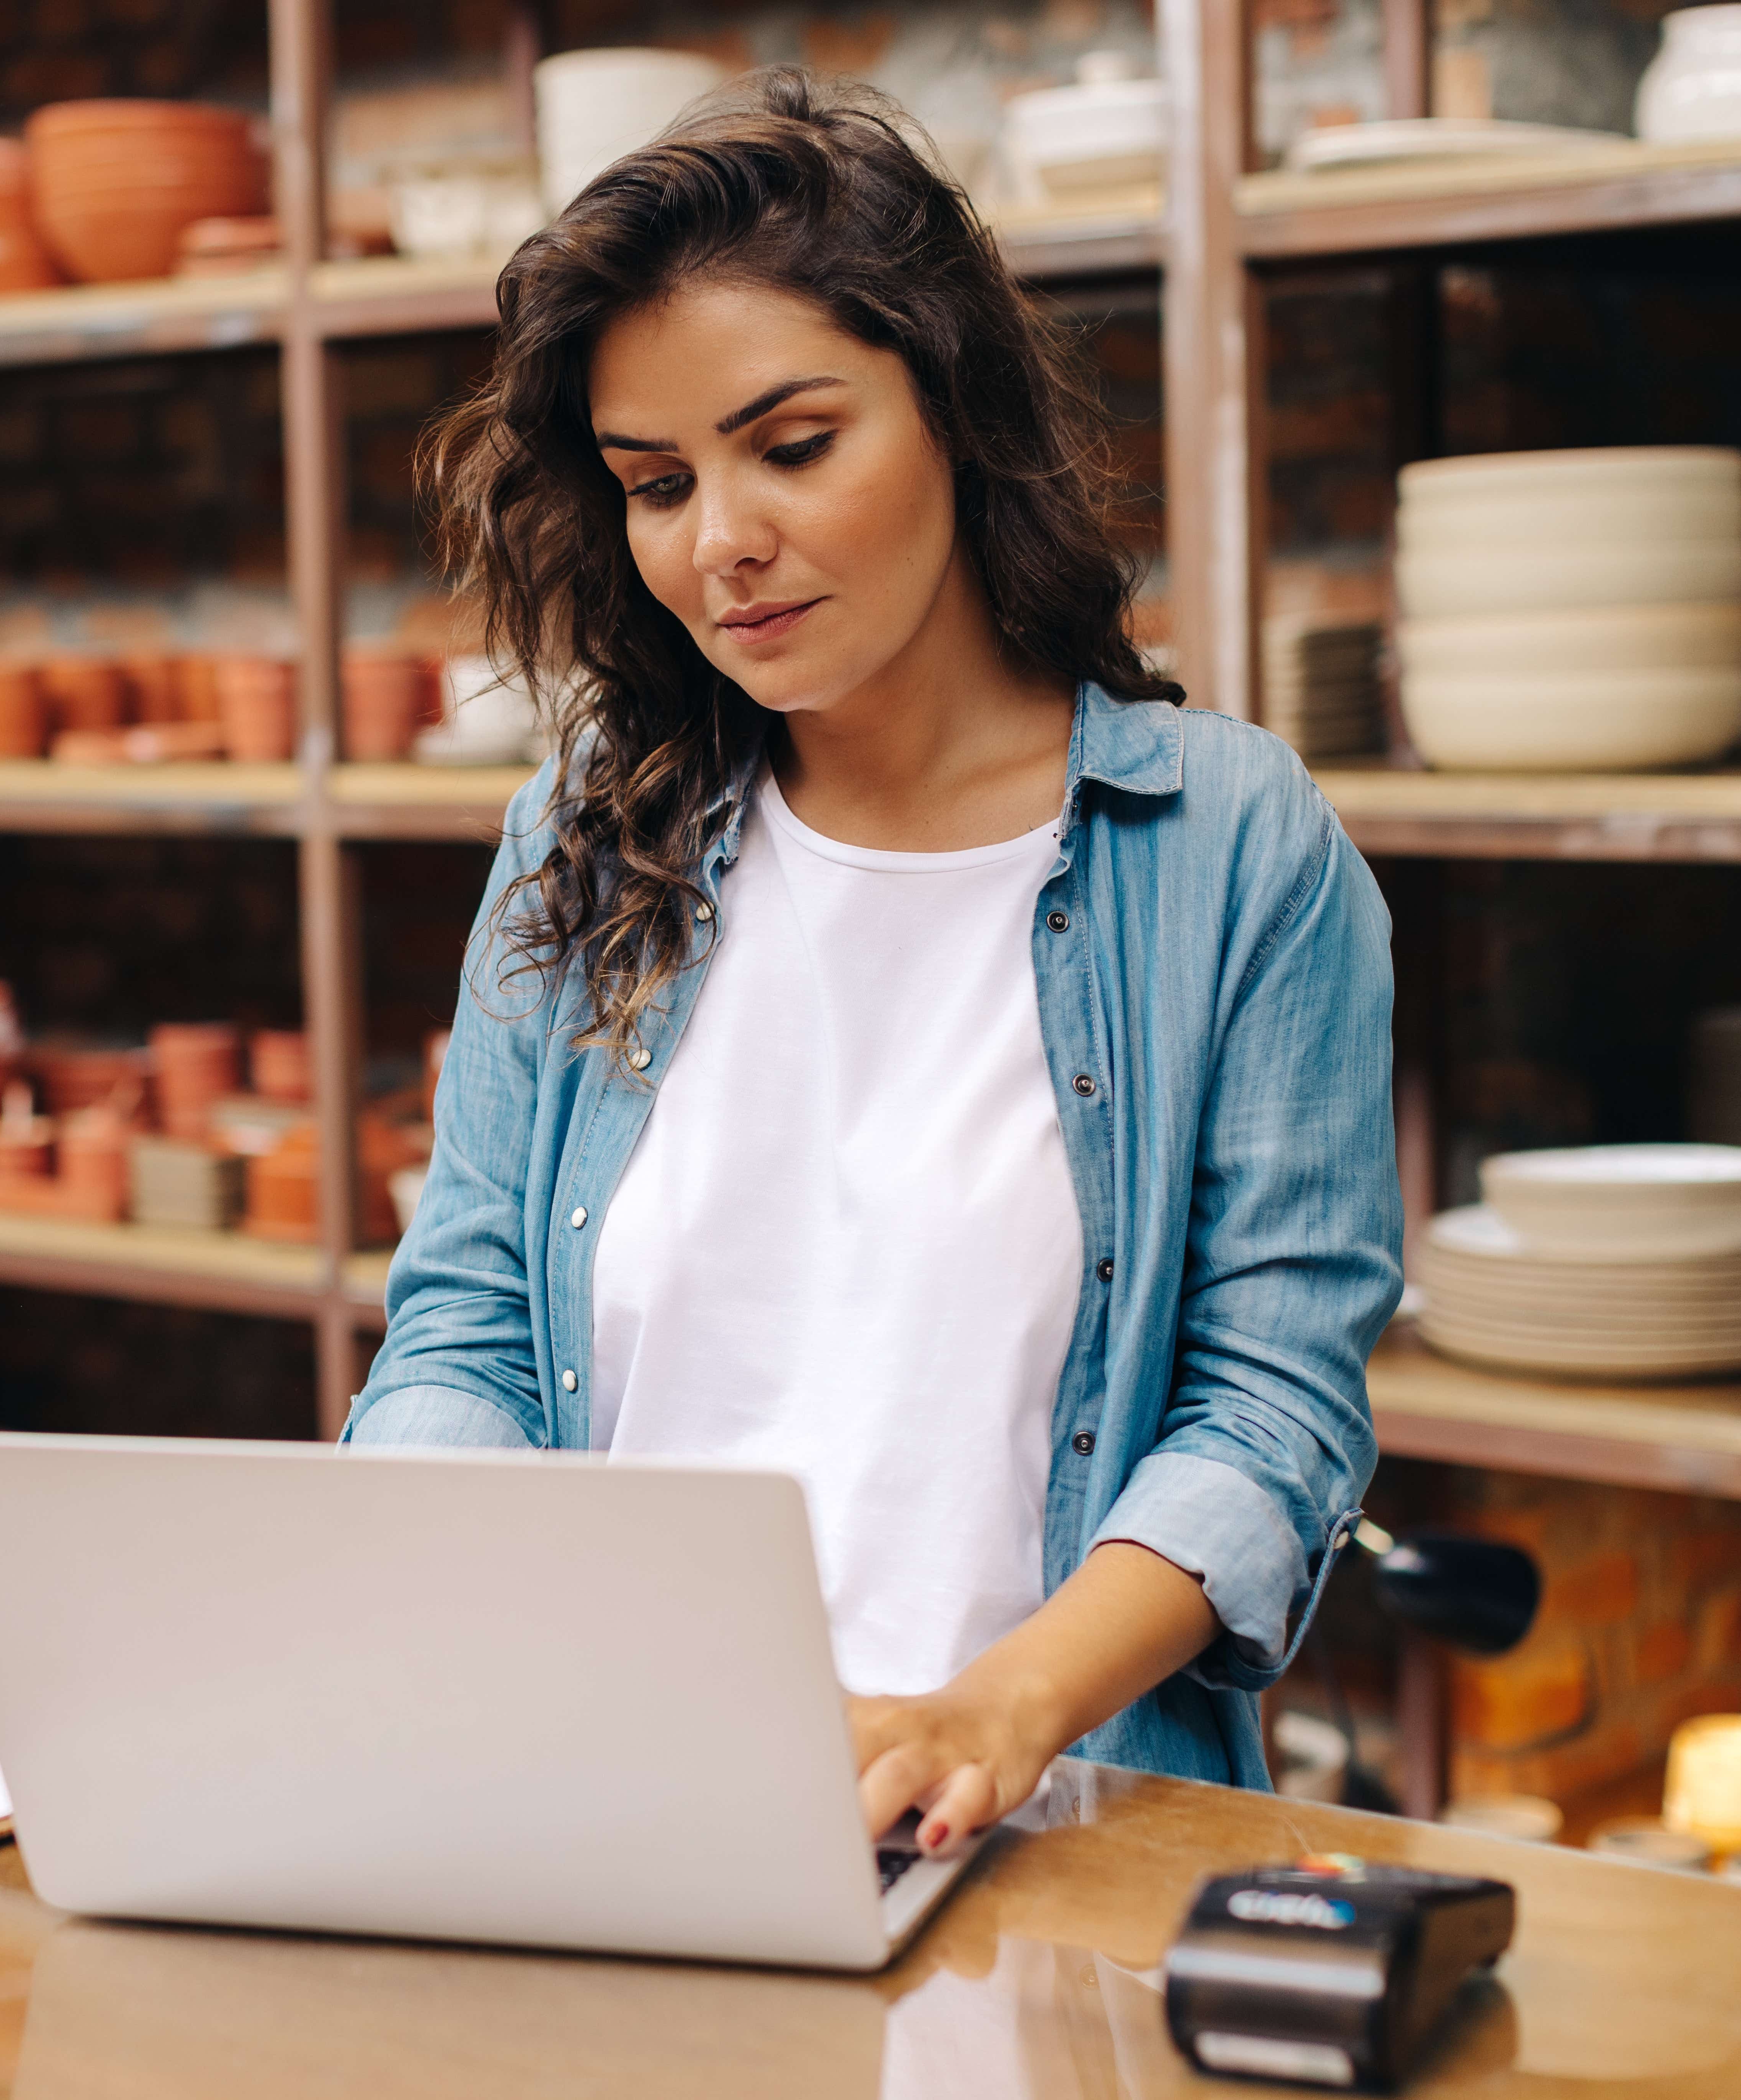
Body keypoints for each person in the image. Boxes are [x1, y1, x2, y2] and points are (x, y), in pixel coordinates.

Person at [347, 69, 1398, 1855]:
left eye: (793, 444)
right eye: (656, 483)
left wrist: (990, 1709)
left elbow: (1267, 1404)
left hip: (1048, 1820)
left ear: (953, 407)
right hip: (619, 1804)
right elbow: (462, 1331)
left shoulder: (1231, 848)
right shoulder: (585, 841)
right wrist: (439, 1598)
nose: (717, 542)